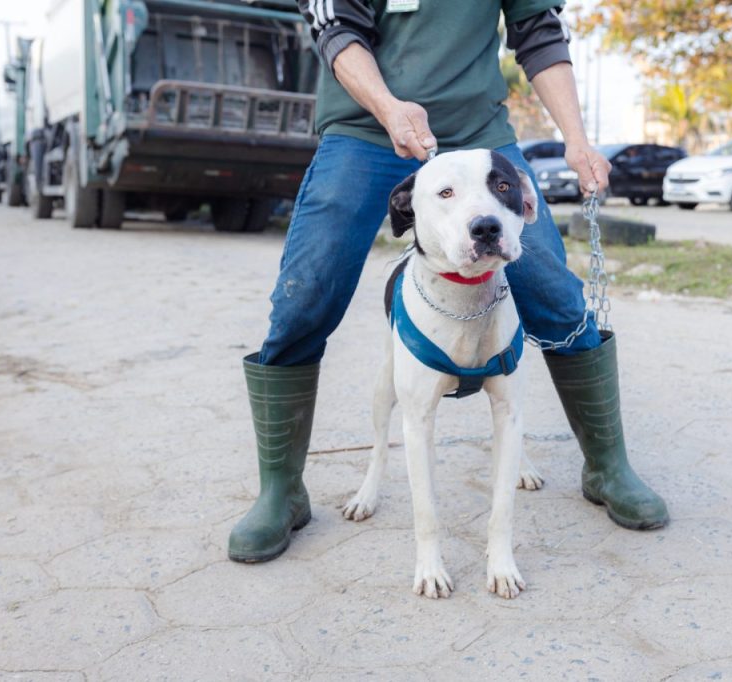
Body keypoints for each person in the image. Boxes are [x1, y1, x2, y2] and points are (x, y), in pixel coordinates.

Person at [227, 0, 669, 563]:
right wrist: (389, 108)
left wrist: (576, 139)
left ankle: (607, 466)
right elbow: (334, 25)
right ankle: (281, 491)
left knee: (555, 292)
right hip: (365, 127)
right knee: (306, 292)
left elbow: (537, 29)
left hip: (479, 133)